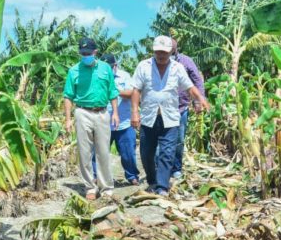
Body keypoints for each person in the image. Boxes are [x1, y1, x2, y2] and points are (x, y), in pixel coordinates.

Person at [131, 36, 210, 196]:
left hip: (171, 117)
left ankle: (162, 187)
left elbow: (189, 86)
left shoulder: (177, 68)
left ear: (171, 52)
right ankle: (152, 180)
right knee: (147, 153)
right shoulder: (143, 66)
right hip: (149, 117)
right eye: (158, 52)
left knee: (168, 152)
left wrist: (200, 98)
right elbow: (136, 90)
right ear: (153, 51)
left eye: (164, 53)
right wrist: (134, 111)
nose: (161, 56)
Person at [63, 38, 120, 200]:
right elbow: (68, 96)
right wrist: (68, 119)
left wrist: (115, 113)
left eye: (88, 53)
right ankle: (90, 186)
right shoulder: (74, 71)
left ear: (95, 52)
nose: (85, 56)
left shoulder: (105, 69)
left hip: (102, 113)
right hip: (82, 112)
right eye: (83, 53)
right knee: (84, 152)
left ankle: (106, 187)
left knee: (103, 151)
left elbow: (112, 92)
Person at [92, 54, 140, 185]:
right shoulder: (96, 76)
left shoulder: (124, 76)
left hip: (123, 122)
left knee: (128, 152)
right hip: (102, 122)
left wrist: (115, 90)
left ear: (115, 66)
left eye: (110, 67)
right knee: (98, 152)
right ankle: (96, 177)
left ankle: (132, 176)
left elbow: (131, 93)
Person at [171, 38, 205, 179]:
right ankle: (160, 167)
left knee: (179, 139)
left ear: (175, 49)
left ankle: (176, 168)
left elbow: (197, 80)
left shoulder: (185, 61)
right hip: (160, 110)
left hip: (180, 107)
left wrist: (198, 101)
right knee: (160, 140)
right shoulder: (154, 62)